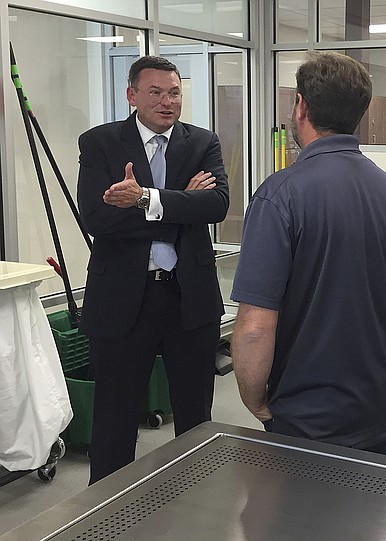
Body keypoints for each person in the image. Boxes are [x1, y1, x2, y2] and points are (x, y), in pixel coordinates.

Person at [230, 51, 386, 455]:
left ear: (301, 105)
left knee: (301, 518)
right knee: (369, 514)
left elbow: (254, 327)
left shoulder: (279, 196)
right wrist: (379, 350)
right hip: (377, 405)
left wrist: (255, 401)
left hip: (306, 414)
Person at [77, 55, 229, 484]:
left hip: (188, 296)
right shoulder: (101, 143)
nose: (167, 102)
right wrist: (181, 201)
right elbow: (96, 218)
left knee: (196, 414)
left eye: (175, 92)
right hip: (123, 298)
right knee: (114, 416)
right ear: (132, 95)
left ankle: (197, 499)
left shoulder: (202, 143)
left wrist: (146, 199)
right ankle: (104, 507)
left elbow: (217, 206)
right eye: (156, 92)